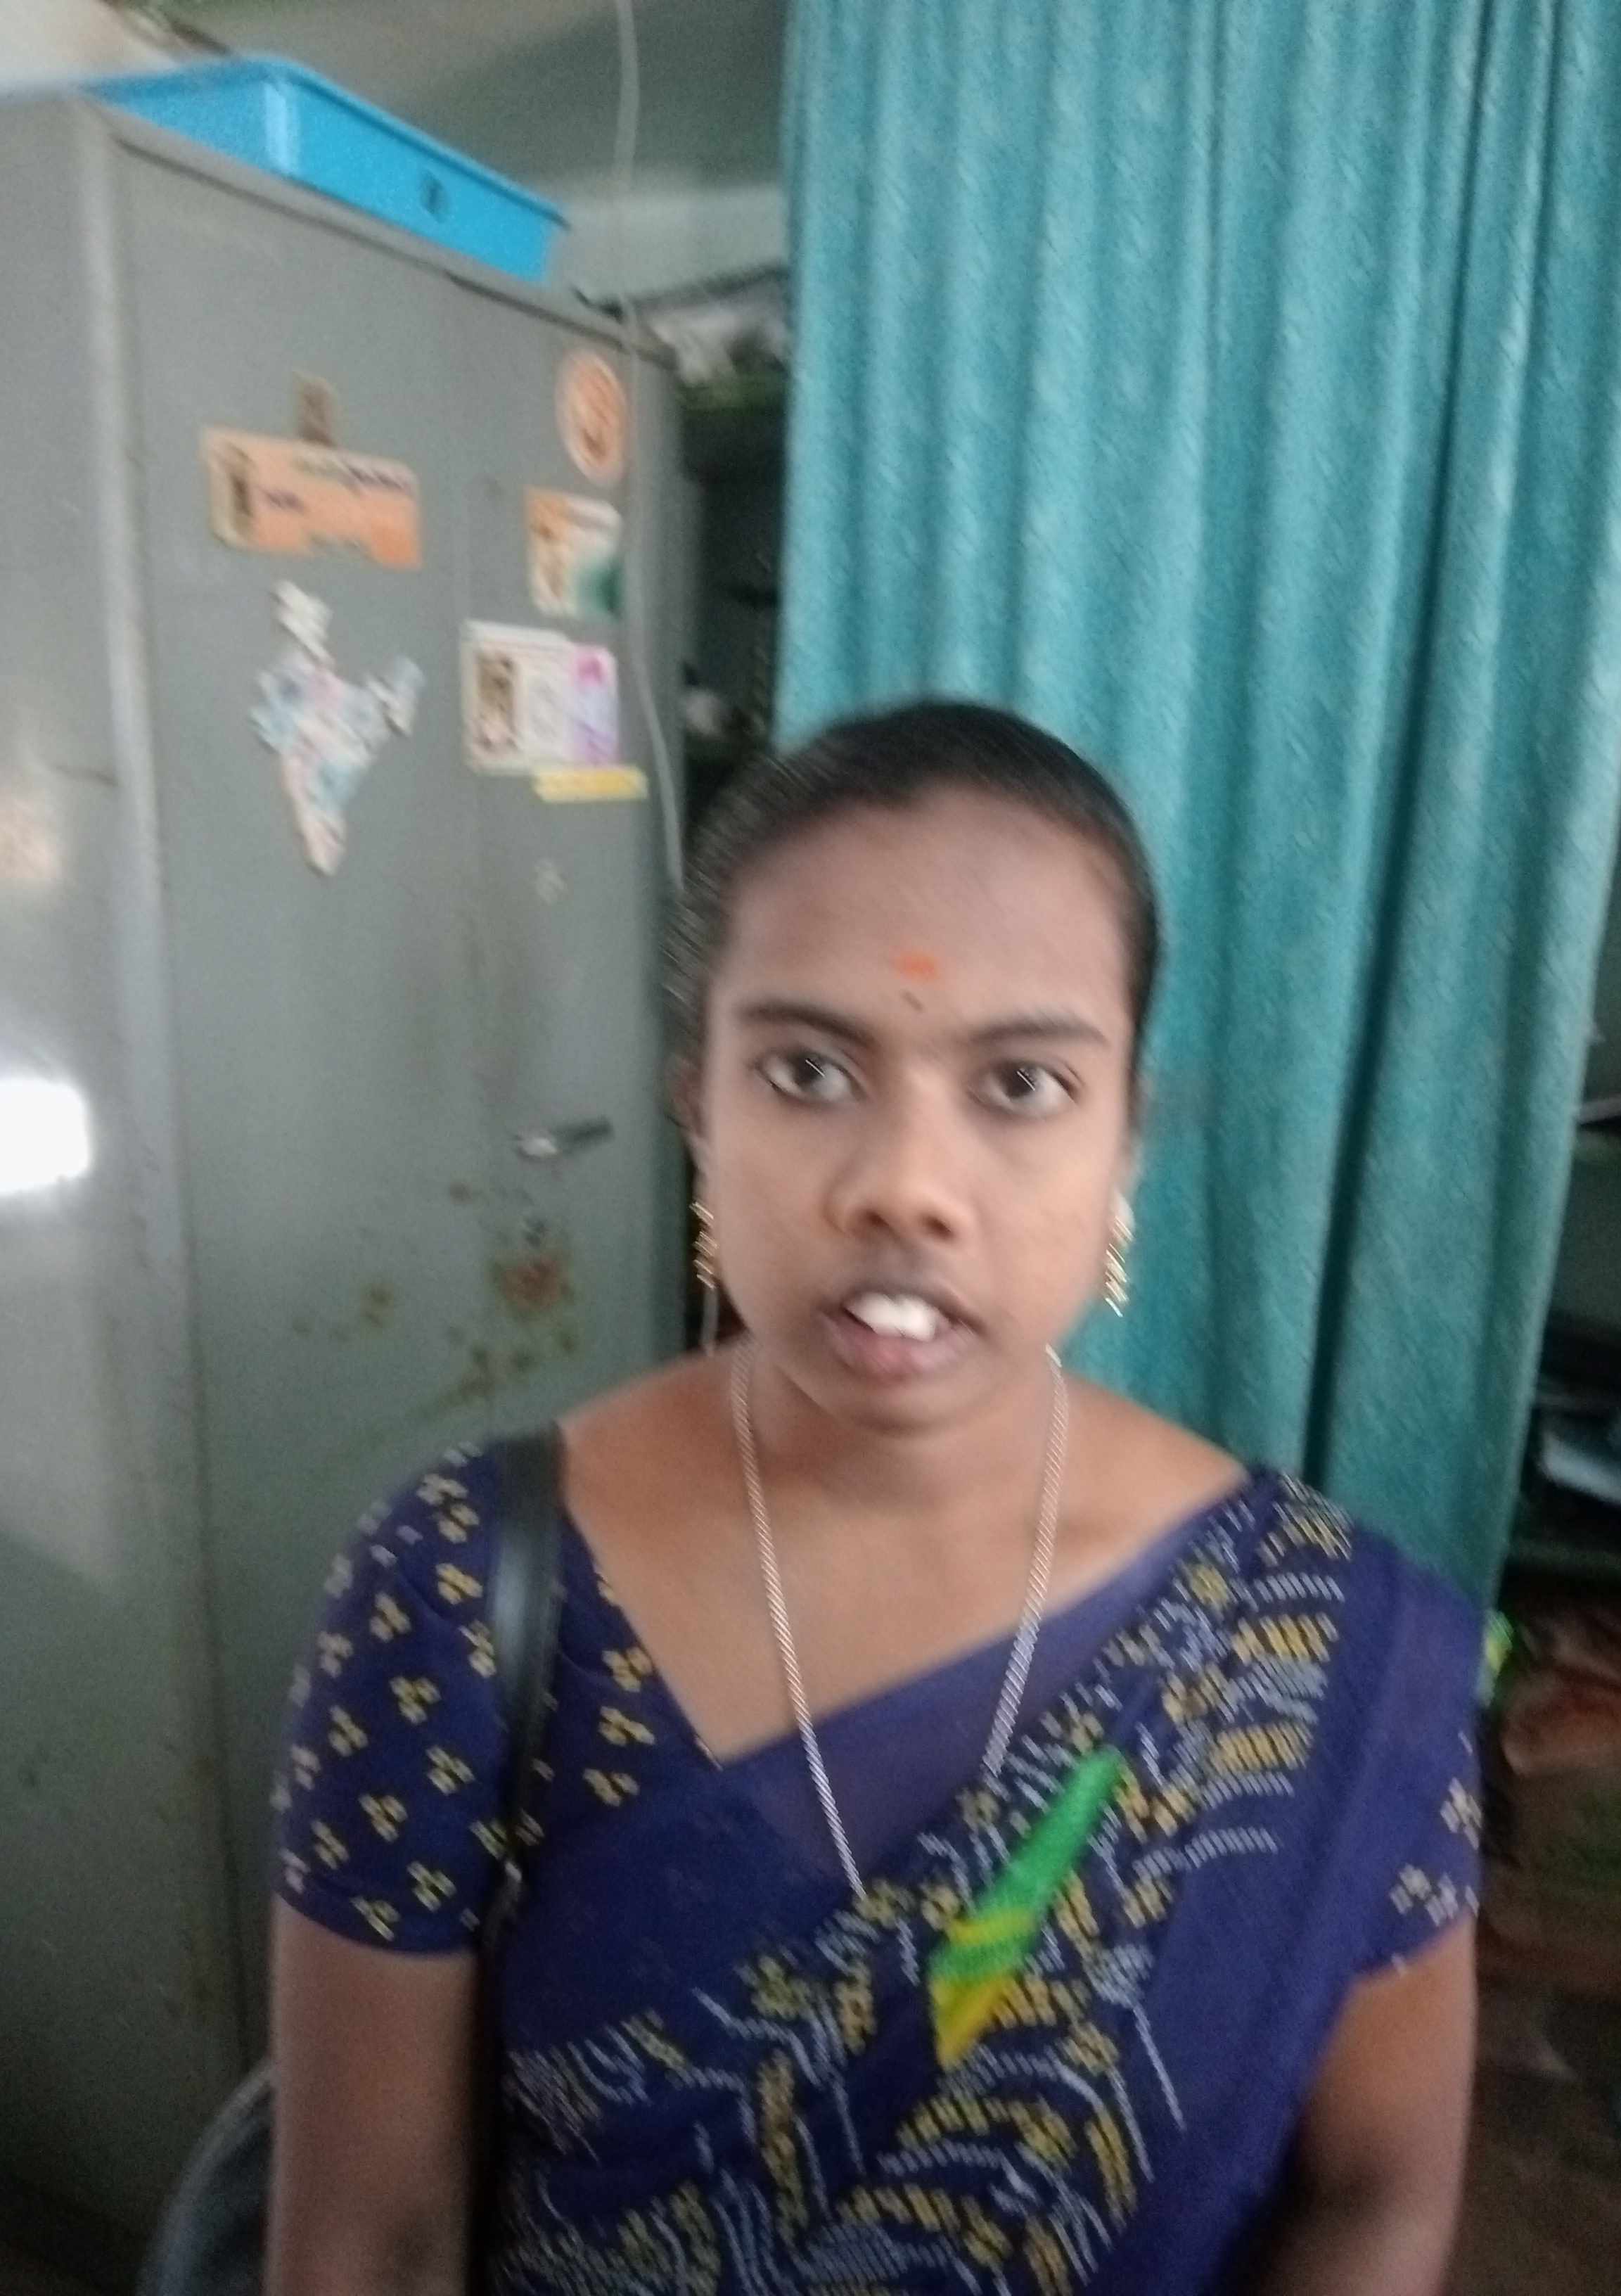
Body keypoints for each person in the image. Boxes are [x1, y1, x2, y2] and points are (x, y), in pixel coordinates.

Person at [267, 701, 1481, 2296]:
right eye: (809, 1070)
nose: (906, 1184)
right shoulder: (462, 1589)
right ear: (699, 1108)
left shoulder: (1320, 1650)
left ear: (1127, 1139)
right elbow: (370, 2241)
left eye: (1022, 1084)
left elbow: (1376, 2197)